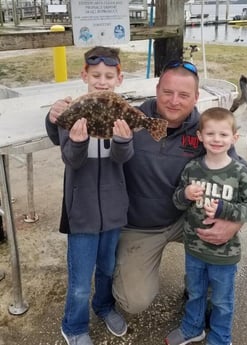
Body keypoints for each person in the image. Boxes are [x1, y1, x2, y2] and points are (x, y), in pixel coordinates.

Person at [112, 60, 244, 316]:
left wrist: (233, 223)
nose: (174, 101)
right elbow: (84, 129)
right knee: (134, 303)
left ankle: (198, 286)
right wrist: (57, 117)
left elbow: (242, 178)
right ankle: (121, 266)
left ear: (196, 97)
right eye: (167, 92)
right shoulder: (130, 120)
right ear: (157, 89)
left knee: (221, 242)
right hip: (140, 225)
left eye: (184, 95)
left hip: (190, 217)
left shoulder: (206, 130)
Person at [45, 46, 133, 345]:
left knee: (107, 268)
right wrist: (78, 142)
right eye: (96, 75)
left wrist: (123, 140)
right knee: (81, 280)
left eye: (109, 75)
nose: (102, 81)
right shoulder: (72, 111)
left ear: (119, 78)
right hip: (80, 214)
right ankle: (74, 326)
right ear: (84, 75)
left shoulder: (122, 109)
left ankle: (104, 306)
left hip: (113, 211)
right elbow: (71, 159)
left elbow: (124, 159)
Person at [165, 107, 247, 345]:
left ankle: (220, 338)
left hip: (224, 254)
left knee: (222, 301)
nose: (217, 139)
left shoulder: (240, 173)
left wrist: (225, 211)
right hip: (194, 249)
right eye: (211, 134)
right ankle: (192, 328)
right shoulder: (192, 168)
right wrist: (185, 194)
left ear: (234, 138)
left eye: (224, 135)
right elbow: (177, 201)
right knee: (195, 294)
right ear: (200, 137)